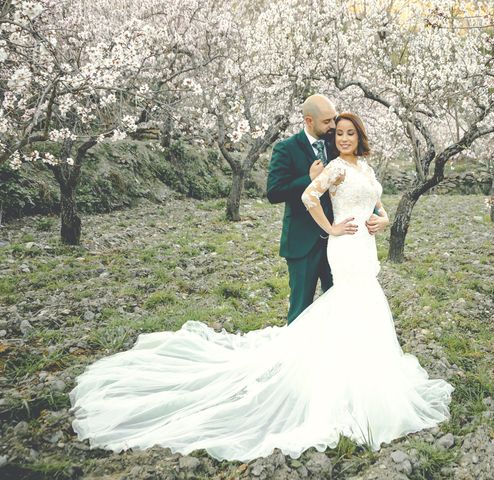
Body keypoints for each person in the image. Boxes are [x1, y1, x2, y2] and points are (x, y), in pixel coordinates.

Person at [68, 112, 454, 463]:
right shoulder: (334, 168)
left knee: (361, 305)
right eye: (339, 134)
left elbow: (378, 205)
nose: (344, 139)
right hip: (344, 245)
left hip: (365, 246)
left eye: (350, 133)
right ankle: (335, 382)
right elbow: (307, 196)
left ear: (361, 136)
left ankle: (364, 373)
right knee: (352, 303)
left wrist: (383, 222)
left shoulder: (365, 167)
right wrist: (330, 228)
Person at [266, 94, 388, 324]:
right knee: (301, 307)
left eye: (334, 120)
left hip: (344, 242)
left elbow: (358, 192)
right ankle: (295, 357)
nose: (333, 126)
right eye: (327, 122)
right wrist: (308, 178)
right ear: (309, 121)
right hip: (303, 241)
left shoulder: (337, 144)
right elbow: (274, 192)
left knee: (341, 306)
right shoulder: (287, 148)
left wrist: (381, 218)